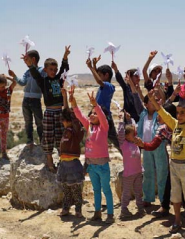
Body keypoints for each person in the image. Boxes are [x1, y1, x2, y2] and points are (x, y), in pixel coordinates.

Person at [148, 85, 185, 234]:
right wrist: (152, 99)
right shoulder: (175, 124)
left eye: (183, 113)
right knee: (175, 196)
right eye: (178, 113)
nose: (179, 116)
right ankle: (177, 221)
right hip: (174, 165)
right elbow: (163, 113)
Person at [71, 91, 115, 224]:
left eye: (95, 113)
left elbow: (102, 117)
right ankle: (97, 213)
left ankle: (110, 215)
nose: (92, 115)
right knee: (96, 190)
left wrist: (96, 106)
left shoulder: (104, 127)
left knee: (106, 189)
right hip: (91, 166)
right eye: (91, 113)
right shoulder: (89, 126)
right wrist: (73, 102)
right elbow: (79, 115)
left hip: (102, 165)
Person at [26, 45, 70, 173]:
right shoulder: (43, 81)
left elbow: (64, 68)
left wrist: (65, 56)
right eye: (51, 69)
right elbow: (34, 73)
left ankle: (62, 162)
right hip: (49, 113)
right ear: (45, 69)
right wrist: (30, 65)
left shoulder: (59, 79)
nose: (54, 71)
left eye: (55, 69)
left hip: (60, 113)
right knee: (48, 136)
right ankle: (50, 163)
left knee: (61, 137)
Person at [57, 89, 85, 217]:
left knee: (75, 189)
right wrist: (64, 96)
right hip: (64, 165)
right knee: (66, 189)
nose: (62, 122)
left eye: (64, 120)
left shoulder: (75, 132)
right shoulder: (65, 131)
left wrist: (71, 99)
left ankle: (78, 210)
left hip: (73, 164)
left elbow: (72, 116)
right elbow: (66, 112)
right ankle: (66, 208)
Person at [9, 50, 45, 147]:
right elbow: (22, 82)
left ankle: (42, 140)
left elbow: (41, 81)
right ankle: (30, 141)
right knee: (28, 122)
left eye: (26, 59)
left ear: (33, 59)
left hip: (36, 100)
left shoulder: (42, 71)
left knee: (39, 122)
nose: (25, 62)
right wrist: (14, 76)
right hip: (26, 100)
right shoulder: (27, 72)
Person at [137, 95, 168, 207]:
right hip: (146, 146)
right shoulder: (143, 114)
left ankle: (164, 200)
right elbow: (140, 128)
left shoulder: (159, 114)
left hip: (158, 146)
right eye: (151, 101)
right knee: (147, 173)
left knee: (162, 173)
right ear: (146, 104)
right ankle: (147, 198)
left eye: (155, 100)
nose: (154, 102)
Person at [87, 56, 120, 153]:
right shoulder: (104, 85)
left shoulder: (109, 86)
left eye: (100, 75)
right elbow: (99, 78)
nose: (98, 77)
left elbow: (99, 81)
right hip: (97, 116)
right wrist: (94, 65)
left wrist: (90, 67)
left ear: (106, 75)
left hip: (105, 118)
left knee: (115, 140)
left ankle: (128, 160)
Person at [117, 110, 144, 219]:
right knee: (126, 193)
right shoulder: (124, 144)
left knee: (138, 191)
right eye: (132, 134)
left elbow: (134, 127)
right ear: (127, 136)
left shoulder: (135, 142)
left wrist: (129, 119)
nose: (135, 135)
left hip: (138, 172)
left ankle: (140, 208)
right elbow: (120, 133)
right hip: (128, 174)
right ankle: (124, 210)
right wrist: (121, 121)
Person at [0, 66, 17, 161]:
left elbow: (15, 82)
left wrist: (7, 76)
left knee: (4, 135)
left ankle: (4, 152)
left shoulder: (8, 90)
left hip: (6, 117)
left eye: (2, 86)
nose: (0, 88)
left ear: (5, 84)